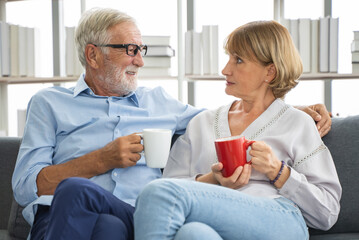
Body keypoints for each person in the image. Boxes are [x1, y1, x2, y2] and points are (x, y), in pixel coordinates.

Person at [12, 8, 330, 240]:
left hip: (138, 217)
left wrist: (287, 109)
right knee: (76, 192)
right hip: (65, 215)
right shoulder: (48, 103)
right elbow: (25, 188)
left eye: (142, 50)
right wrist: (101, 159)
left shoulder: (161, 102)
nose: (140, 60)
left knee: (111, 226)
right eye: (130, 50)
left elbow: (230, 117)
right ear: (93, 56)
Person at [133, 20, 342, 240]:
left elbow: (327, 213)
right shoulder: (201, 123)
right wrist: (212, 179)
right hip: (211, 221)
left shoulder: (299, 123)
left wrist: (278, 171)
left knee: (156, 192)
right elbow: (173, 184)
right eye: (229, 58)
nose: (225, 70)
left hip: (279, 219)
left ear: (269, 72)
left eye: (238, 60)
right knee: (193, 234)